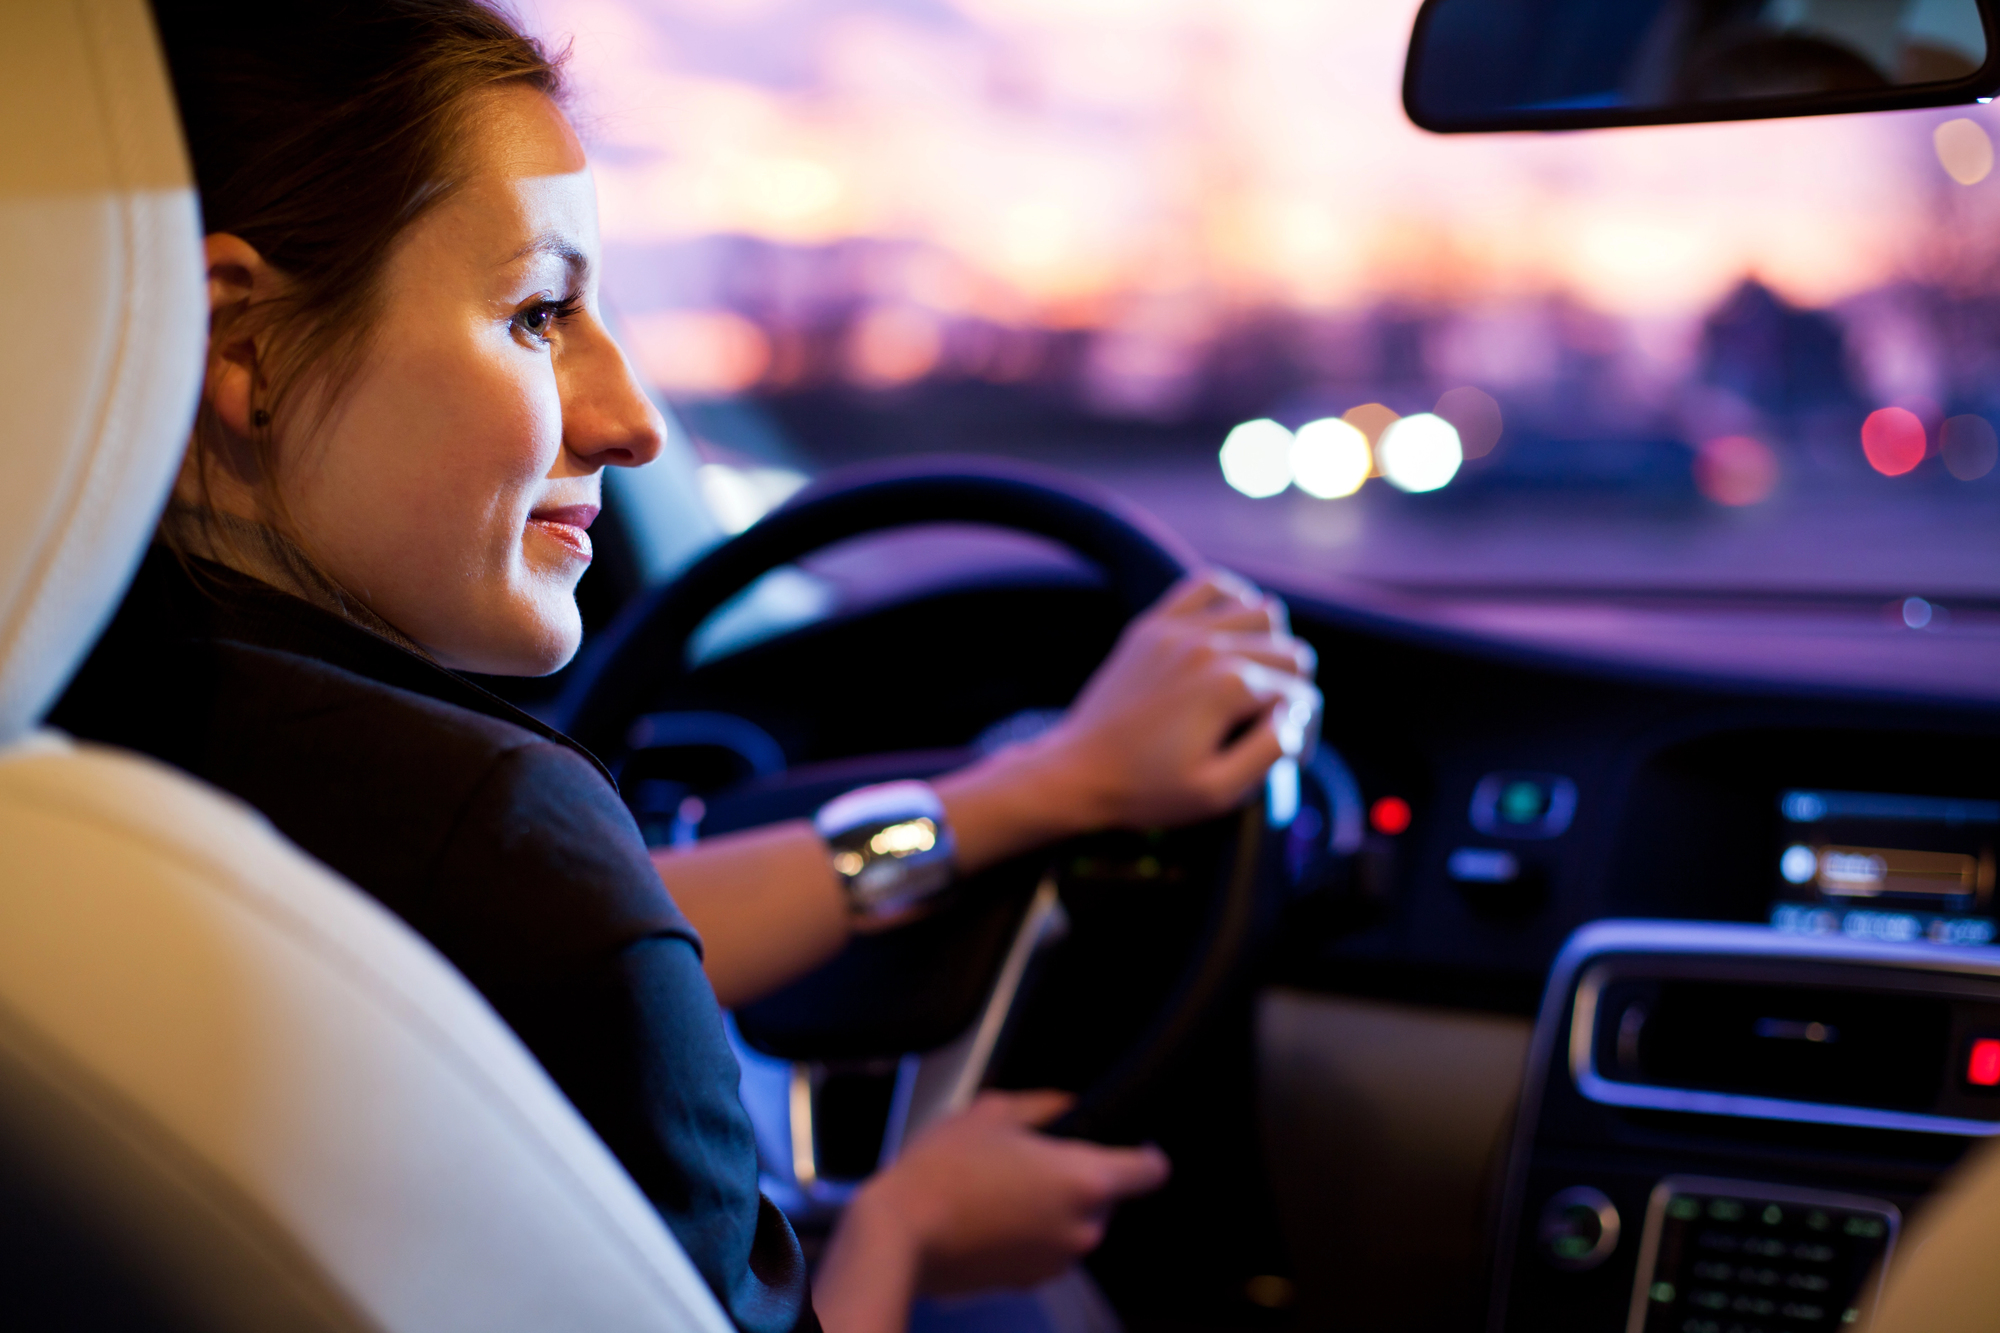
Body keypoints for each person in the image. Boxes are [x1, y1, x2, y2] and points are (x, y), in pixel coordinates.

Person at [53, 5, 1320, 1333]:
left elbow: (565, 932)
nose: (635, 421)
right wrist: (900, 1229)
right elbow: (557, 913)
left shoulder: (100, 729)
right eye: (540, 313)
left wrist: (1031, 792)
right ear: (238, 342)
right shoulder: (491, 830)